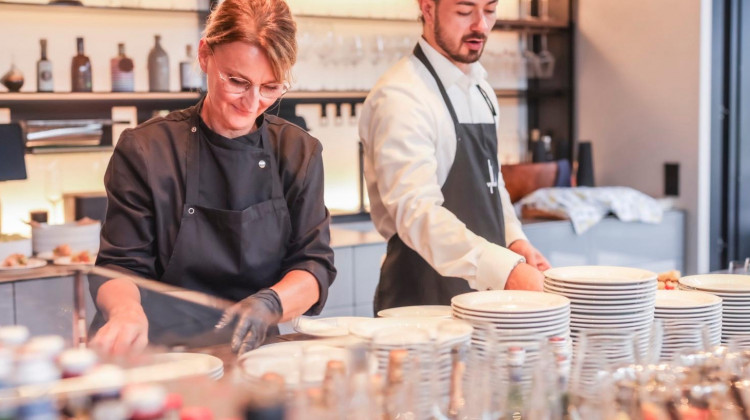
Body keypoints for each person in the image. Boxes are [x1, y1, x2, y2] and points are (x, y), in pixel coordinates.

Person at [91, 0, 336, 355]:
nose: (251, 103)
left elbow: (314, 265)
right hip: (157, 353)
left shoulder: (298, 152)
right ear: (205, 55)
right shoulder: (146, 150)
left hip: (252, 354)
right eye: (237, 81)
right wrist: (126, 313)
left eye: (270, 87)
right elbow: (119, 267)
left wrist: (271, 303)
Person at [358, 0, 550, 312]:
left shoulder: (482, 90)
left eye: (490, 10)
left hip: (486, 301)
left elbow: (491, 183)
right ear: (428, 8)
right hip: (422, 306)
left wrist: (514, 240)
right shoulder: (401, 97)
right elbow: (417, 214)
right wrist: (506, 271)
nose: (481, 26)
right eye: (465, 11)